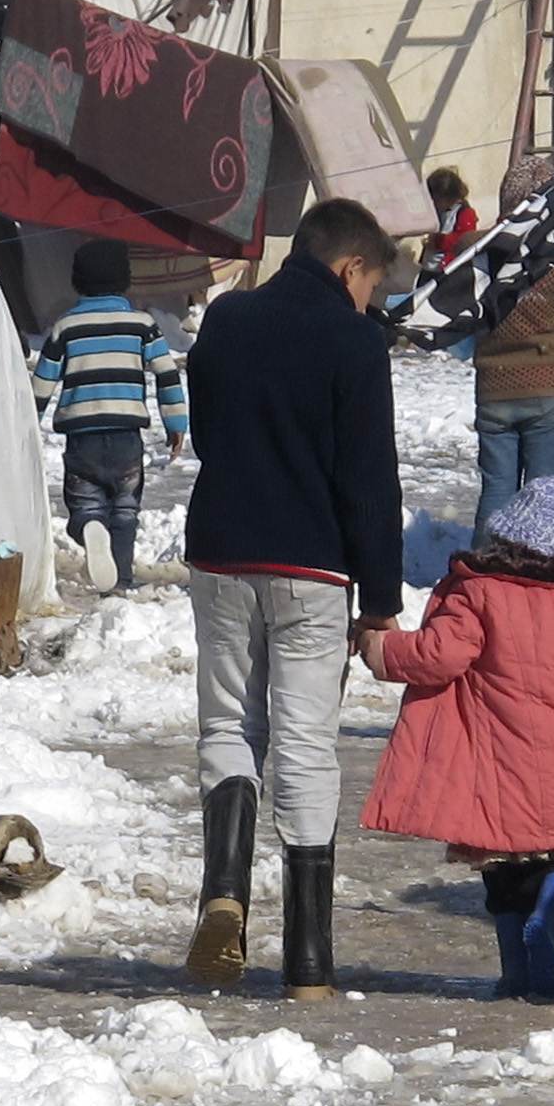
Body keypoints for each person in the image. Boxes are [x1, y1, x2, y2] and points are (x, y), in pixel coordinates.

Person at [179, 197, 405, 999]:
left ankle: (224, 892)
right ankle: (309, 962)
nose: (369, 300)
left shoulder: (229, 320)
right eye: (370, 285)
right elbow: (369, 478)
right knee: (306, 744)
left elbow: (208, 433)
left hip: (220, 550)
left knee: (230, 724)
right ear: (350, 267)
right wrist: (380, 598)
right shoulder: (353, 338)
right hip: (311, 566)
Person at [358, 459, 554, 1001]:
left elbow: (438, 656)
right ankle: (550, 916)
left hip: (500, 766)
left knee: (503, 875)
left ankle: (517, 972)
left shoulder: (479, 593)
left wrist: (380, 650)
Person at [31, 239, 190, 593]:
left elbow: (43, 383)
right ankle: (120, 584)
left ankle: (88, 525)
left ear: (77, 280)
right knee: (124, 511)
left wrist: (29, 421)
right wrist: (176, 424)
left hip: (82, 440)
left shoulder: (65, 327)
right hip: (126, 440)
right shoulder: (141, 325)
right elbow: (167, 374)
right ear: (125, 280)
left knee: (85, 504)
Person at [471, 152, 554, 532]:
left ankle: (485, 570)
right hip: (547, 384)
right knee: (544, 492)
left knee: (497, 489)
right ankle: (535, 571)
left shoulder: (476, 250)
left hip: (493, 388)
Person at [423, 167, 481, 272]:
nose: (433, 203)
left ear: (449, 197)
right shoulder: (437, 211)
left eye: (436, 200)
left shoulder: (464, 213)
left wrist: (438, 241)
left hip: (448, 270)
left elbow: (464, 240)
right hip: (429, 266)